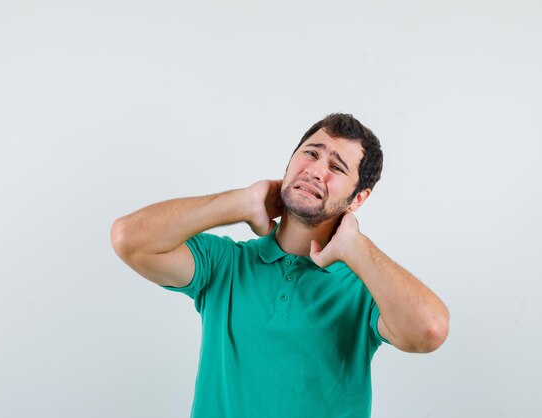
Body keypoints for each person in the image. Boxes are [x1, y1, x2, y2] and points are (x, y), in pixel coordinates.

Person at [110, 113, 450, 418]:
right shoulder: (225, 264)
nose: (316, 170)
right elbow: (129, 238)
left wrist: (355, 247)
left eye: (337, 167)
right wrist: (241, 202)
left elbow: (429, 330)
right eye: (311, 153)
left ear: (358, 198)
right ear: (289, 164)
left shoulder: (364, 288)